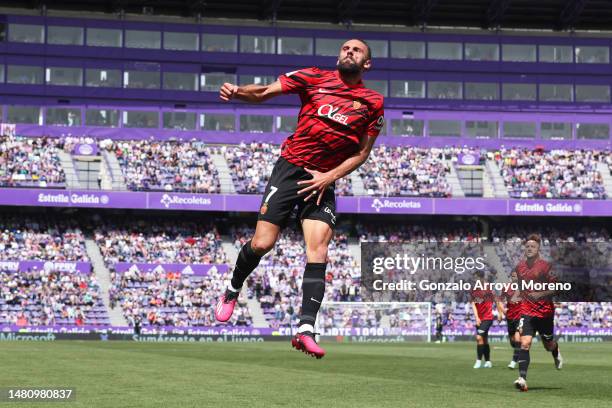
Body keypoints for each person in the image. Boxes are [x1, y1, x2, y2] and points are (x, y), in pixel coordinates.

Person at [215, 39, 384, 359]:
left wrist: (329, 177)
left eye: (357, 50)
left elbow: (363, 152)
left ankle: (306, 328)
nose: (349, 52)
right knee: (262, 243)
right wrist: (238, 92)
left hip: (323, 179)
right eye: (345, 48)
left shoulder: (373, 102)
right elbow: (265, 92)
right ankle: (233, 288)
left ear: (367, 64)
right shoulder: (313, 77)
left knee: (318, 247)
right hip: (290, 169)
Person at [513, 234, 563, 392]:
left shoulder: (546, 267)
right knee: (524, 343)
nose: (529, 248)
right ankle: (522, 379)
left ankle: (555, 352)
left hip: (545, 313)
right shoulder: (519, 267)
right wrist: (516, 295)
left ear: (538, 249)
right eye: (527, 246)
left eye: (533, 246)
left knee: (548, 345)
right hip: (527, 311)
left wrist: (540, 294)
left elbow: (556, 288)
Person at [471, 271, 504, 368]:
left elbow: (497, 301)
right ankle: (488, 361)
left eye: (476, 278)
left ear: (481, 278)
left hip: (487, 318)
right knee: (484, 340)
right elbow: (473, 304)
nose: (475, 280)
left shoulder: (488, 288)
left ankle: (478, 361)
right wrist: (476, 317)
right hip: (479, 319)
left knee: (479, 337)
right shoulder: (474, 290)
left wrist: (500, 313)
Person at [502, 269, 522, 369]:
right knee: (513, 341)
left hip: (520, 316)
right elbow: (500, 300)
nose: (515, 278)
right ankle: (518, 352)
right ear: (511, 277)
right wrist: (502, 310)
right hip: (510, 316)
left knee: (518, 338)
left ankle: (513, 362)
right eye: (513, 276)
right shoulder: (506, 288)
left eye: (517, 276)